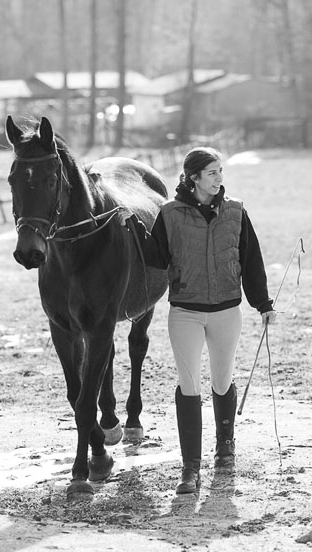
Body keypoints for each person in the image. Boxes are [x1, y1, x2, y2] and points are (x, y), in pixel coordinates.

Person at [125, 146, 276, 494]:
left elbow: (252, 260)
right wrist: (135, 230)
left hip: (226, 311)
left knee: (222, 381)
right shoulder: (170, 213)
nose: (219, 178)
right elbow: (158, 258)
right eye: (212, 173)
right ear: (193, 178)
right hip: (186, 312)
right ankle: (189, 469)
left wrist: (262, 302)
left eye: (220, 171)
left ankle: (225, 449)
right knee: (188, 385)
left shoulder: (236, 211)